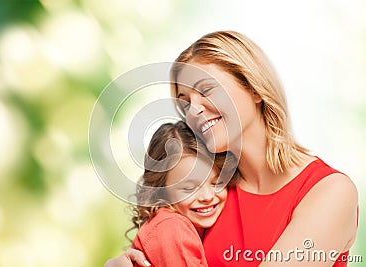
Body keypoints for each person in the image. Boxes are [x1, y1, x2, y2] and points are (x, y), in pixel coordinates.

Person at [105, 30, 358, 266]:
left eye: (207, 90)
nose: (193, 110)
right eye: (185, 103)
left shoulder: (330, 191)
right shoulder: (211, 194)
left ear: (254, 87)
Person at [126, 121, 234, 267]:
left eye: (217, 183)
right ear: (162, 191)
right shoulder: (172, 228)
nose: (207, 196)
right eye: (189, 188)